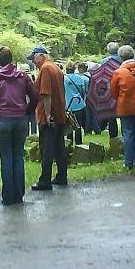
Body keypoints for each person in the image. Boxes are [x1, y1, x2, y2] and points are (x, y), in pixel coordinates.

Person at [0, 46, 38, 206]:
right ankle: (19, 195)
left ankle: (8, 197)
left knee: (6, 157)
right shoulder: (23, 76)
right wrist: (27, 110)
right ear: (11, 58)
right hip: (20, 118)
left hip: (3, 119)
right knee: (18, 156)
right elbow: (35, 97)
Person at [30, 48, 68, 191]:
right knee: (59, 147)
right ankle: (62, 176)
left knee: (46, 148)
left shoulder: (45, 69)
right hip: (59, 113)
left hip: (49, 115)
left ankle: (45, 180)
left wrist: (47, 114)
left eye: (34, 58)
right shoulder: (56, 68)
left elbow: (46, 93)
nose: (33, 62)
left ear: (41, 56)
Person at [110, 45, 135, 169]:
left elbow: (113, 92)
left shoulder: (118, 72)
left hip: (125, 107)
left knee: (127, 134)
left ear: (121, 57)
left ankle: (128, 162)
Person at [64, 61, 89, 145]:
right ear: (74, 69)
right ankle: (79, 144)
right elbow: (83, 91)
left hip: (68, 105)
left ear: (66, 69)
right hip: (79, 104)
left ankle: (69, 144)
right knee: (78, 125)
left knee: (69, 125)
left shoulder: (63, 78)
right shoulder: (79, 78)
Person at [19, 63, 37, 135]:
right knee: (33, 120)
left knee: (25, 120)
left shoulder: (21, 77)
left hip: (24, 102)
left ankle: (26, 135)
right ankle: (34, 134)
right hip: (32, 102)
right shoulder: (33, 76)